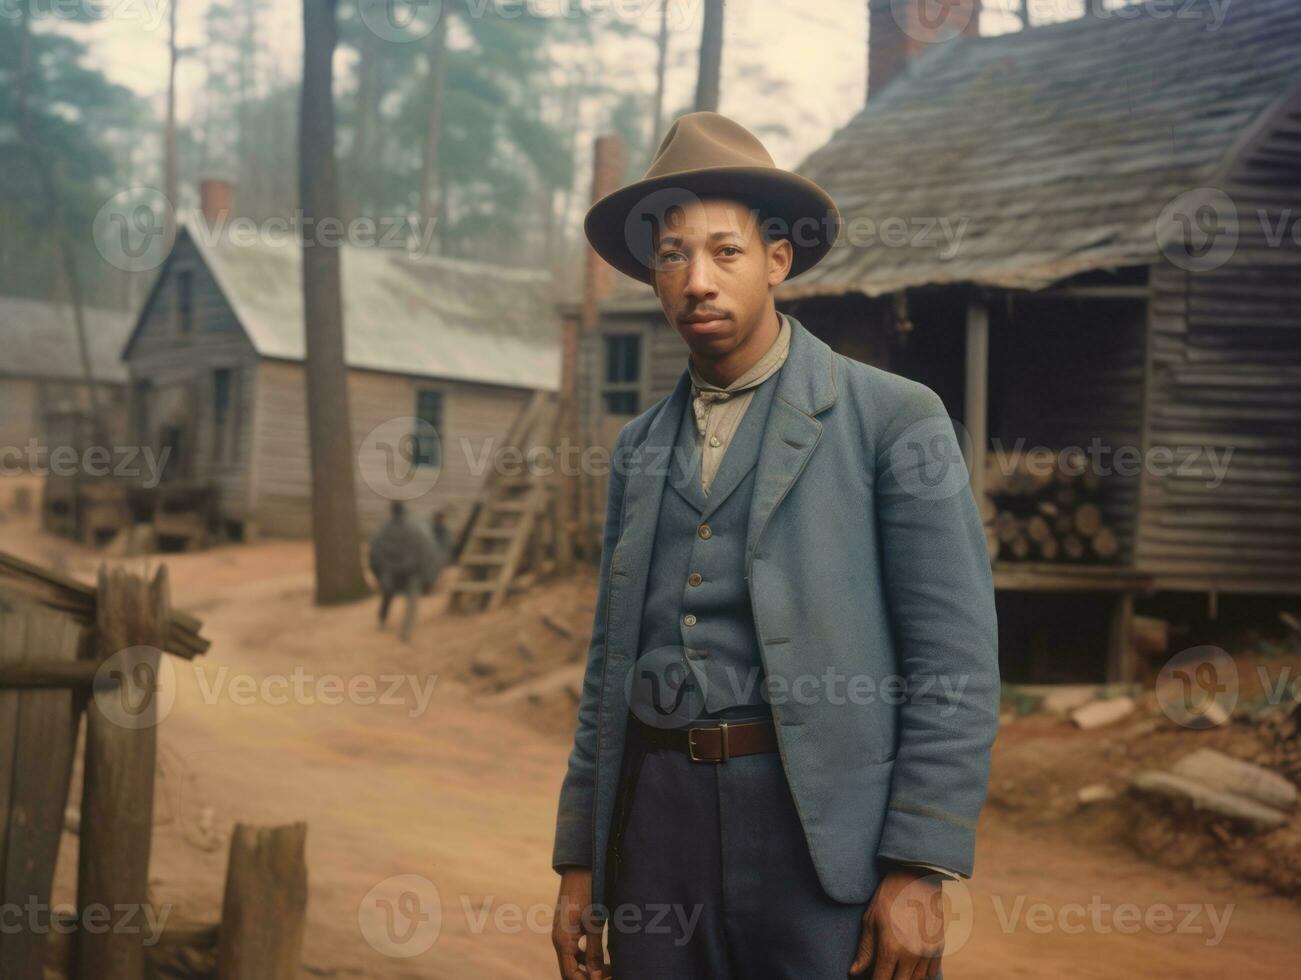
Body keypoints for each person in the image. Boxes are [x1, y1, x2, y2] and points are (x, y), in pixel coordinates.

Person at [550, 113, 999, 979]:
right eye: (673, 255)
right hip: (656, 837)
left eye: (726, 252)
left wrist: (918, 866)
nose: (697, 280)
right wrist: (581, 864)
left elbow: (955, 662)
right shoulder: (641, 447)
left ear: (777, 263)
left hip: (822, 840)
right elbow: (609, 668)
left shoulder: (891, 419)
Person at [368, 500, 443, 642]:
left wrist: (380, 574)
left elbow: (375, 555)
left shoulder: (384, 531)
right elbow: (425, 552)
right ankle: (405, 631)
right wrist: (426, 576)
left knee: (388, 594)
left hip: (394, 573)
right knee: (410, 600)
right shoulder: (415, 530)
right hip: (410, 572)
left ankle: (383, 620)